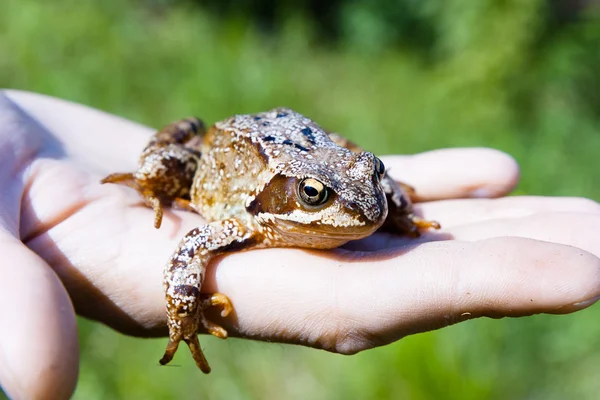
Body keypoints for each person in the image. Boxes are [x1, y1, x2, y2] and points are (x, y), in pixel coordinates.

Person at [1, 90, 598, 400]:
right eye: (317, 197)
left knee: (360, 189)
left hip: (302, 143)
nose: (359, 213)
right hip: (237, 161)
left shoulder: (360, 191)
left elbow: (362, 183)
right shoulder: (244, 221)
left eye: (369, 181)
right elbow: (186, 254)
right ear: (295, 196)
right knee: (160, 166)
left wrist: (398, 207)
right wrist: (186, 313)